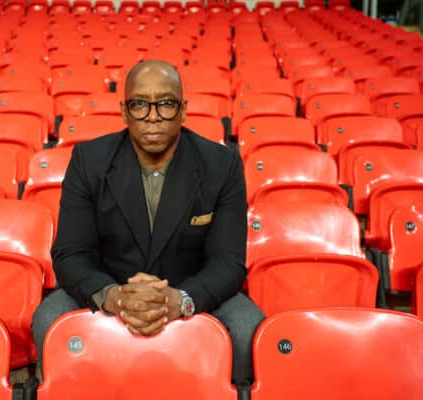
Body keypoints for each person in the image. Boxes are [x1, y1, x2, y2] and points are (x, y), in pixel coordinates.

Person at [32, 60, 265, 391]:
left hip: (190, 285)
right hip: (111, 283)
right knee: (47, 318)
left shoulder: (222, 165)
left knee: (246, 327)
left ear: (183, 110)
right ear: (125, 112)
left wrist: (181, 299)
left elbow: (227, 263)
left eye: (166, 104)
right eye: (140, 104)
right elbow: (71, 253)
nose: (153, 116)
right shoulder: (89, 160)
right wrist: (113, 296)